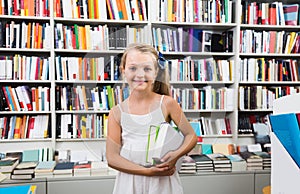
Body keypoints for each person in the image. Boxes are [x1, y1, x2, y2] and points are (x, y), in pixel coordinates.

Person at [106, 43, 198, 194]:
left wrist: (175, 155)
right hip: (130, 182)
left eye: (147, 69)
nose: (140, 75)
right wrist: (147, 172)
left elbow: (191, 136)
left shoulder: (167, 103)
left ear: (155, 73)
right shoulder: (116, 112)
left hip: (162, 182)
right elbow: (112, 157)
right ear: (123, 72)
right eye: (133, 68)